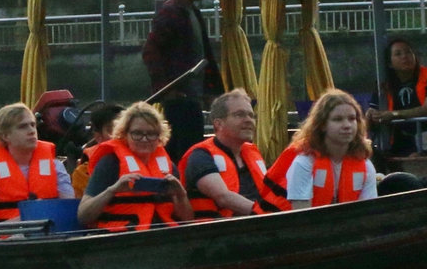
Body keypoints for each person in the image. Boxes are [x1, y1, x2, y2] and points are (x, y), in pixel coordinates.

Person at [141, 0, 225, 161]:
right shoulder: (170, 13)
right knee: (184, 151)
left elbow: (203, 54)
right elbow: (150, 51)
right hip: (179, 96)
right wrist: (165, 89)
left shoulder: (191, 11)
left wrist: (212, 91)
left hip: (192, 95)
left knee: (190, 147)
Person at [77, 102, 193, 230]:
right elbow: (83, 216)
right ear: (125, 134)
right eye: (137, 133)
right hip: (122, 240)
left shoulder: (169, 167)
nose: (144, 139)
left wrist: (181, 195)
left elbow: (187, 219)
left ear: (160, 136)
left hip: (163, 238)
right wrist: (112, 190)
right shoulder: (110, 164)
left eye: (151, 134)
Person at [180, 89, 288, 218]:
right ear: (218, 124)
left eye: (251, 115)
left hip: (258, 227)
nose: (249, 120)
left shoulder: (252, 153)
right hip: (218, 232)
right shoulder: (200, 156)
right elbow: (223, 197)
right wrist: (265, 215)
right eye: (240, 114)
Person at [268, 89, 380, 209]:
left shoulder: (366, 166)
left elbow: (368, 215)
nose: (347, 125)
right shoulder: (304, 163)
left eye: (352, 119)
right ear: (322, 125)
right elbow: (301, 219)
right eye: (337, 119)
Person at [365, 38, 427, 157]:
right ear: (390, 63)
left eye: (408, 52)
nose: (405, 56)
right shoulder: (384, 83)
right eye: (398, 54)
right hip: (401, 139)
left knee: (414, 158)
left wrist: (393, 114)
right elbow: (372, 109)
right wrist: (370, 118)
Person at [0, 104, 65, 222]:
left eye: (33, 125)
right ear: (6, 136)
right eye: (22, 127)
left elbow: (67, 213)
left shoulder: (56, 167)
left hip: (51, 235)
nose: (32, 131)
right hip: (9, 238)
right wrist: (30, 214)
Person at [71, 101, 125, 196]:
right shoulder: (83, 173)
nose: (120, 134)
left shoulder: (147, 158)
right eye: (112, 130)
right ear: (98, 137)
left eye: (125, 128)